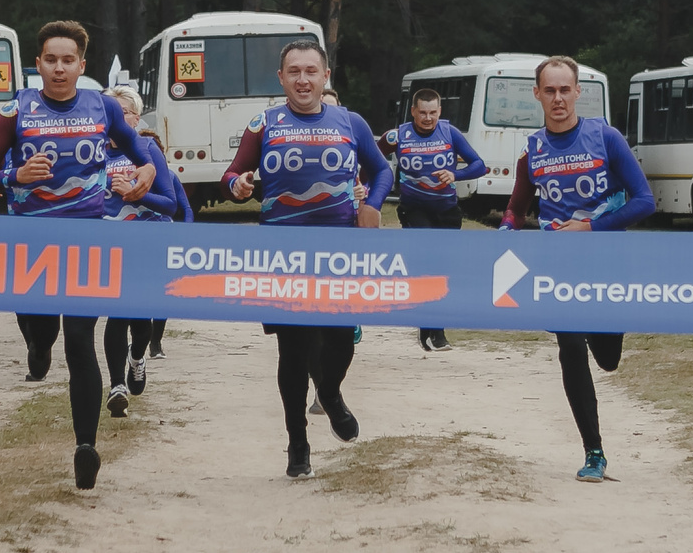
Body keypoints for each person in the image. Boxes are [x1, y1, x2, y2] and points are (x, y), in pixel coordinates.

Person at [0, 22, 155, 490]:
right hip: (32, 242)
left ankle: (85, 446)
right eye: (50, 59)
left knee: (79, 340)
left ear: (81, 66)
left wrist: (148, 171)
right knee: (41, 329)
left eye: (67, 60)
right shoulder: (18, 110)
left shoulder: (103, 107)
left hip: (86, 240)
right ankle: (36, 344)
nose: (58, 68)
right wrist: (15, 176)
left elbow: (140, 151)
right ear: (38, 64)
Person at [224, 37, 391, 479]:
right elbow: (232, 172)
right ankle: (298, 447)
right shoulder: (264, 124)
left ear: (325, 77)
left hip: (338, 252)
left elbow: (382, 170)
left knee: (339, 340)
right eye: (293, 71)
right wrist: (237, 186)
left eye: (310, 71)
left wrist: (371, 205)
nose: (302, 79)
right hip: (282, 254)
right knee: (294, 351)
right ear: (281, 78)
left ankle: (331, 394)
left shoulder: (350, 121)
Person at [501, 56, 655, 482]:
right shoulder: (532, 150)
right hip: (559, 269)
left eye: (565, 90)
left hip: (607, 265)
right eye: (549, 91)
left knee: (607, 359)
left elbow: (645, 201)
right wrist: (504, 230)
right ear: (537, 95)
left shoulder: (605, 137)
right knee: (569, 347)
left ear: (578, 92)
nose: (558, 99)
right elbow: (516, 207)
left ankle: (602, 331)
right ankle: (594, 451)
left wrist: (590, 226)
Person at [100, 88, 187, 414]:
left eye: (122, 112)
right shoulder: (94, 154)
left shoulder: (148, 150)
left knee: (140, 318)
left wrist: (137, 196)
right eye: (109, 112)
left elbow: (170, 203)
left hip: (149, 245)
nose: (114, 119)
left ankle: (137, 358)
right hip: (112, 249)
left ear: (136, 119)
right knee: (117, 313)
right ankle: (117, 385)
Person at [382, 88, 488, 350]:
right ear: (413, 112)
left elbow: (479, 165)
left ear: (440, 112)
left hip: (447, 210)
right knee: (428, 263)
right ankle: (434, 332)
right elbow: (370, 157)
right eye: (423, 113)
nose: (428, 119)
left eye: (433, 113)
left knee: (443, 269)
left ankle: (430, 326)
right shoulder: (399, 136)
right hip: (415, 208)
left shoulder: (450, 133)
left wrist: (455, 174)